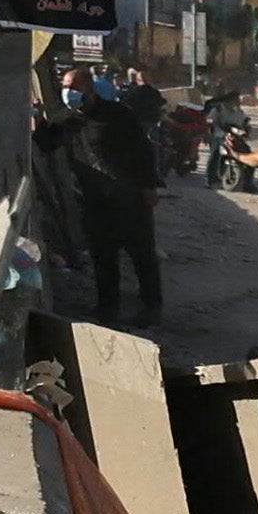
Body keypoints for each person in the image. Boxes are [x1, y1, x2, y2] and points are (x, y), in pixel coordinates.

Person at [59, 62, 167, 332]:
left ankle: (150, 307)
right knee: (103, 257)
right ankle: (107, 308)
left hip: (129, 198)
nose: (68, 93)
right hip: (95, 201)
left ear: (87, 87)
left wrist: (149, 186)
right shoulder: (70, 121)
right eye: (64, 88)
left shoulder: (118, 114)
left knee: (141, 255)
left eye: (72, 87)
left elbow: (143, 150)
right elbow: (43, 142)